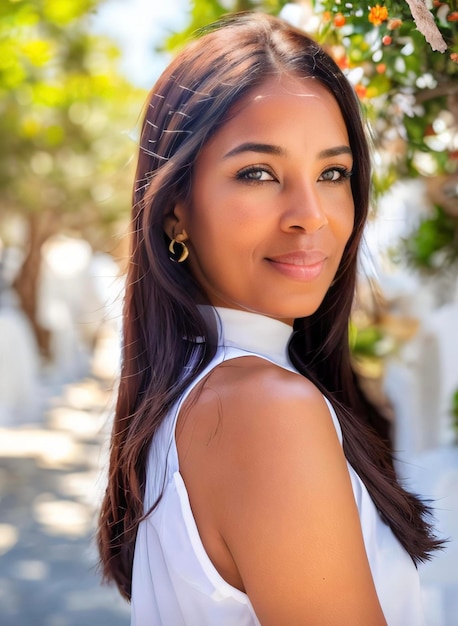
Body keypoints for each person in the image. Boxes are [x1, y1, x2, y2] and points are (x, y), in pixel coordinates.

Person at [97, 12, 443, 625]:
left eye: (332, 173)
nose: (310, 215)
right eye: (257, 173)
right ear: (175, 208)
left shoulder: (203, 393)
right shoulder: (264, 409)